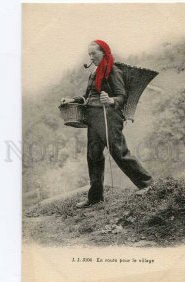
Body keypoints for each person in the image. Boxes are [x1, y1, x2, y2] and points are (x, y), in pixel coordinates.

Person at [61, 40, 153, 208]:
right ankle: (95, 197)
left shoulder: (113, 71)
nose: (91, 57)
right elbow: (86, 97)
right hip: (93, 118)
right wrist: (72, 99)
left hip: (109, 116)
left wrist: (110, 99)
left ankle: (148, 184)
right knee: (93, 156)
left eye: (93, 53)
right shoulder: (93, 74)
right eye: (89, 54)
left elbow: (121, 95)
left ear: (104, 53)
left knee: (119, 152)